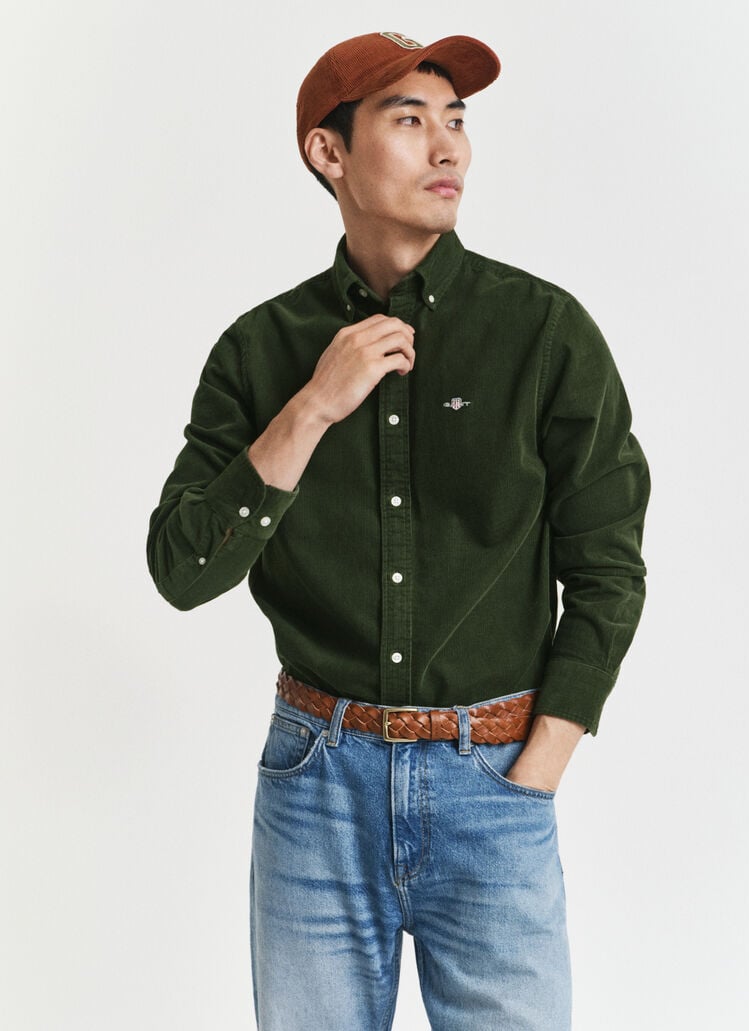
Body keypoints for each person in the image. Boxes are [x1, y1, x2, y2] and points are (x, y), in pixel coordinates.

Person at [146, 30, 650, 1031]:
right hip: (316, 784)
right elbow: (181, 567)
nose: (447, 146)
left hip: (493, 776)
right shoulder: (259, 351)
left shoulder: (543, 332)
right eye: (410, 120)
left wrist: (538, 763)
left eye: (455, 121)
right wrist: (311, 407)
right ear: (328, 152)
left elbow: (607, 565)